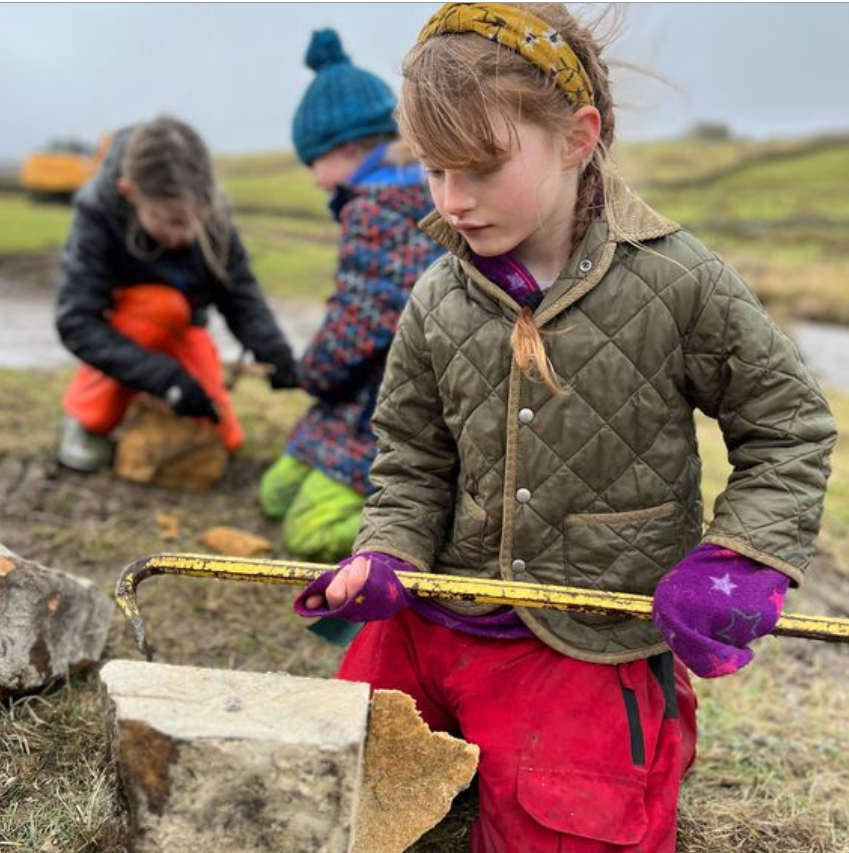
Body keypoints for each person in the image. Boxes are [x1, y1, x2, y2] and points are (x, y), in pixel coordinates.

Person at [294, 4, 837, 851]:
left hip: (588, 641)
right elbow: (408, 452)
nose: (451, 200)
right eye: (435, 170)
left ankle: (638, 730)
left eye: (478, 167)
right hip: (433, 620)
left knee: (566, 832)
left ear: (576, 137)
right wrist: (387, 549)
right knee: (319, 788)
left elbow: (788, 427)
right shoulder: (436, 295)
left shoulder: (679, 280)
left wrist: (738, 557)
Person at [258, 29, 442, 562]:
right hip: (362, 396)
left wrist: (309, 373)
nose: (314, 180)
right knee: (276, 495)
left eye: (312, 162)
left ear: (342, 150)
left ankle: (418, 538)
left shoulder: (376, 207)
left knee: (307, 533)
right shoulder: (402, 192)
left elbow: (359, 322)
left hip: (383, 409)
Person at [55, 115, 298, 472]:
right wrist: (167, 381)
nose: (184, 234)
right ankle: (84, 416)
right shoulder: (98, 211)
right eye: (169, 221)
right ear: (129, 192)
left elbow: (239, 293)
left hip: (185, 330)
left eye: (193, 220)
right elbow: (77, 322)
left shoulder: (209, 209)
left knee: (226, 438)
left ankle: (157, 398)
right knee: (161, 306)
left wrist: (272, 350)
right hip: (130, 328)